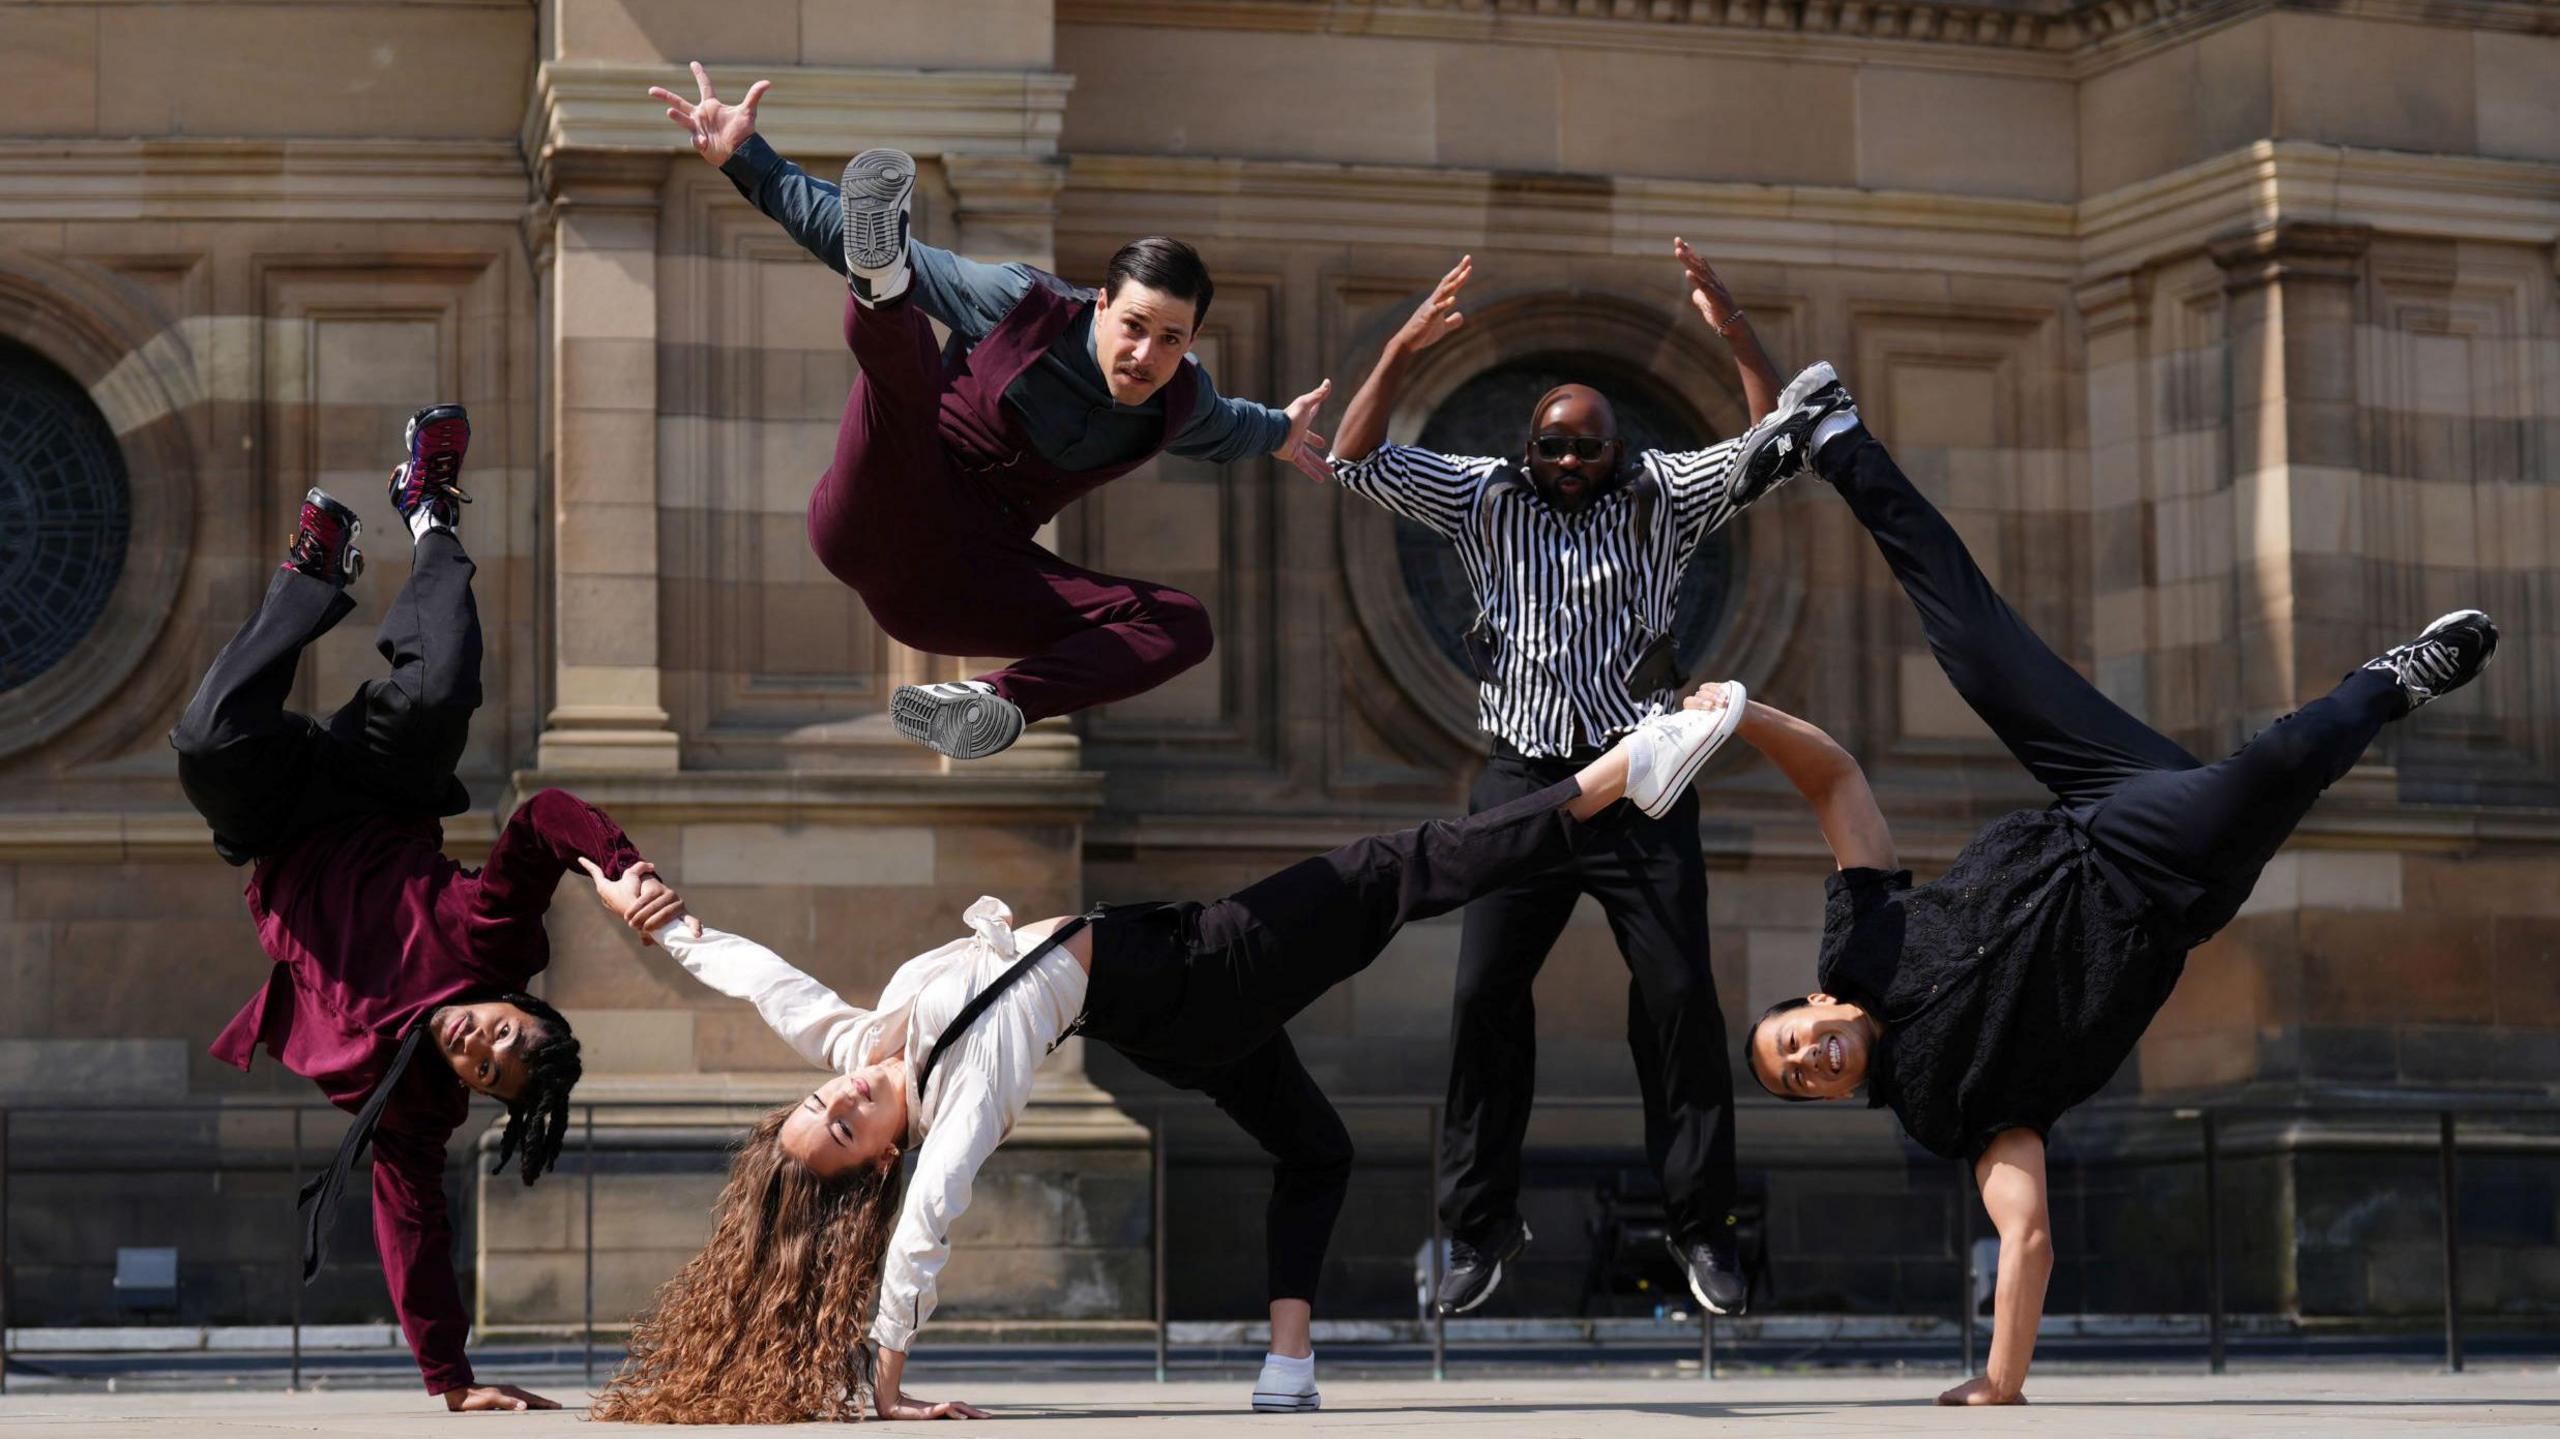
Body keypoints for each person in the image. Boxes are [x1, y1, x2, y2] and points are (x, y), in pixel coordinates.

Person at [590, 696, 1750, 1422]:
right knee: (1400, 864)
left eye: (818, 1100)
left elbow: (764, 981)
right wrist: (886, 1378)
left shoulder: (869, 1040)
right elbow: (932, 1211)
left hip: (1166, 1016)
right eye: (845, 1126)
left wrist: (667, 922)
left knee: (1314, 1146)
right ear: (880, 1154)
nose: (840, 1093)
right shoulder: (959, 1090)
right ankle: (1624, 772)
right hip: (1203, 968)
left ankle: (1287, 1364)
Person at [1718, 364, 2501, 1406]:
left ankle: (1833, 434)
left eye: (1792, 1043)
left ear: (1810, 1006)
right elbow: (2027, 1233)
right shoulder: (1948, 1110)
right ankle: (2387, 684)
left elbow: (1839, 780)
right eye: (1801, 1080)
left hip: (2087, 797)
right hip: (2157, 880)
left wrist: (1740, 713)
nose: (1811, 1060)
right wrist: (2001, 1381)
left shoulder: (1855, 945)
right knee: (2273, 766)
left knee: (1975, 646)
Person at [169, 406, 691, 1412]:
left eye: (480, 1065)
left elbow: (415, 1226)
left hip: (280, 828)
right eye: (499, 1029)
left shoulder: (412, 1105)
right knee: (444, 684)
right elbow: (539, 817)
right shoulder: (492, 938)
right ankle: (428, 513)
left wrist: (450, 1382)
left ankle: (309, 578)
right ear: (517, 1000)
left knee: (204, 742)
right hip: (378, 791)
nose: (474, 1040)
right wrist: (615, 867)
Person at [1323, 245, 1798, 1317]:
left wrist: (1735, 336)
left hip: (1640, 786)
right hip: (1523, 784)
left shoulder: (1662, 495)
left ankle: (1700, 1230)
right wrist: (1401, 346)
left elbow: (1772, 451)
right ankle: (1475, 1227)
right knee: (1485, 995)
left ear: (1617, 446)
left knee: (1677, 1001)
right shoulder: (1484, 494)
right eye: (1551, 447)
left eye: (1587, 447)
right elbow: (1352, 461)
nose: (1570, 463)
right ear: (1524, 447)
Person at [648, 64, 1334, 759]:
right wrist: (747, 158)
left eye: (1169, 340)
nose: (1144, 355)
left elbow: (1235, 428)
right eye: (1133, 325)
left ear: (1191, 342)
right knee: (905, 353)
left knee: (1182, 625)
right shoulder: (1019, 303)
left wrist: (1281, 432)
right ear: (1099, 304)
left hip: (954, 586)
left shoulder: (1181, 398)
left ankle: (993, 702)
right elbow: (833, 226)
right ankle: (880, 286)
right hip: (883, 498)